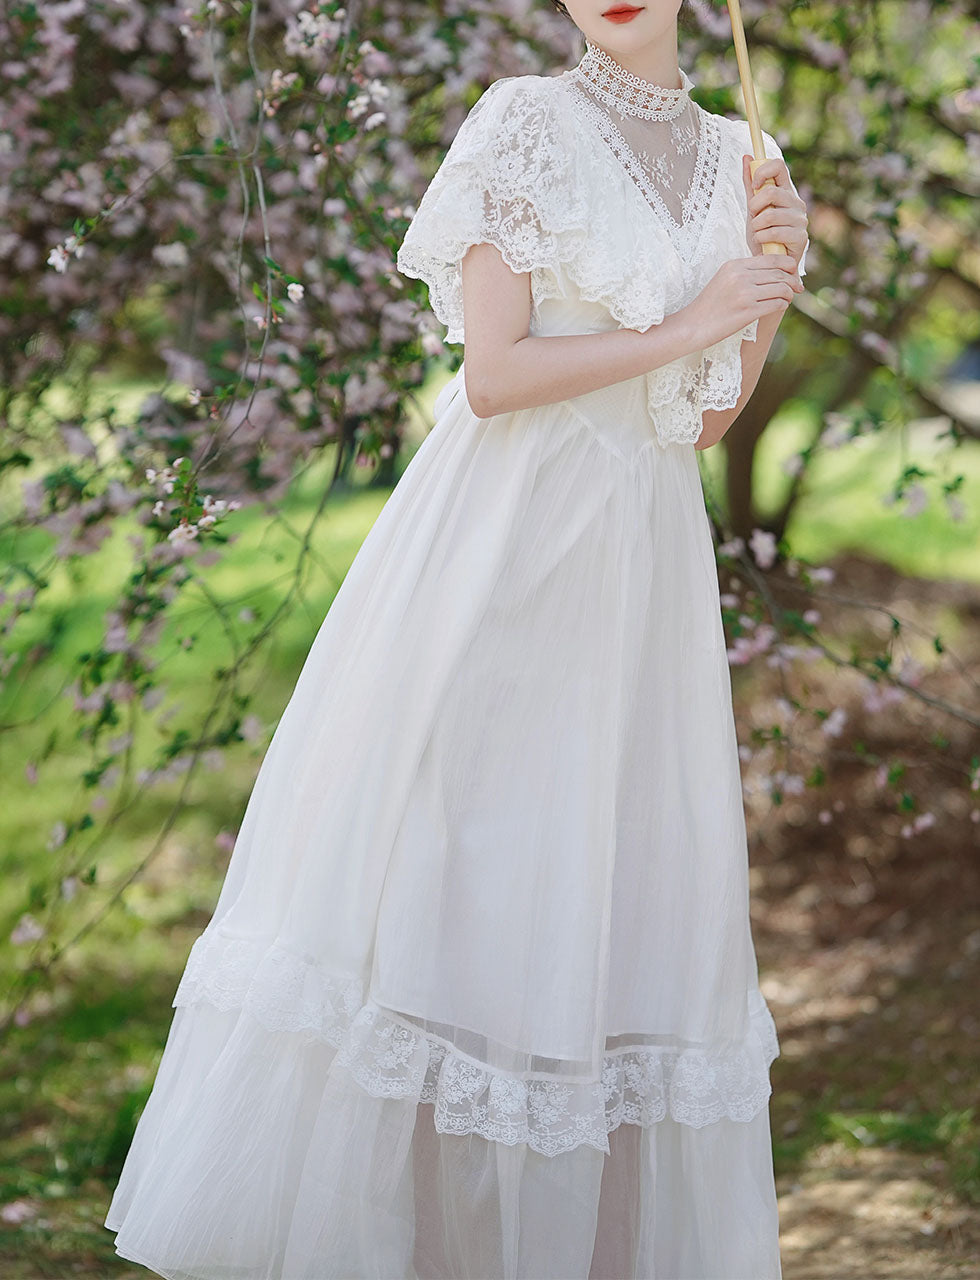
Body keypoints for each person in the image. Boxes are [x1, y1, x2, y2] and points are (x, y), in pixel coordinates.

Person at [104, 0, 810, 1276]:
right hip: (502, 542)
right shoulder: (522, 123)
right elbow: (494, 372)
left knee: (605, 888)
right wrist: (698, 317)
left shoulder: (744, 159)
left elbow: (699, 422)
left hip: (638, 565)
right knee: (457, 880)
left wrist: (768, 284)